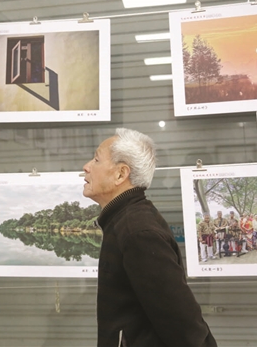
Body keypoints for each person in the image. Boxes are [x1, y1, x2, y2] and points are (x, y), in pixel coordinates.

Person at [83, 128, 216, 347]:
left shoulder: (138, 232)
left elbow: (184, 327)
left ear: (120, 174)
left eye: (96, 159)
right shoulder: (124, 221)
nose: (86, 167)